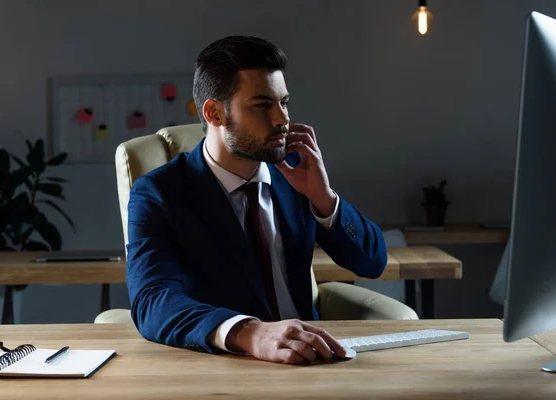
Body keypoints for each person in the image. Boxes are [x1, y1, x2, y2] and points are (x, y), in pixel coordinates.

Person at [126, 35, 409, 365]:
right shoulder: (159, 193)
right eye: (262, 105)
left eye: (284, 103)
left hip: (313, 360)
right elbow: (152, 301)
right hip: (227, 366)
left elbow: (372, 263)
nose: (282, 120)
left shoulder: (296, 178)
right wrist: (249, 333)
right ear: (214, 113)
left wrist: (323, 197)